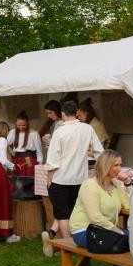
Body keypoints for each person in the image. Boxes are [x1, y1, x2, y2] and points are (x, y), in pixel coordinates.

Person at [41, 100, 103, 256]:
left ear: (62, 114)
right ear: (76, 113)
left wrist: (49, 181)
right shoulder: (87, 128)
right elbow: (99, 152)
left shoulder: (60, 132)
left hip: (60, 178)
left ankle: (68, 246)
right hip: (80, 179)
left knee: (63, 215)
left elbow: (52, 160)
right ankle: (69, 243)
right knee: (75, 212)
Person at [7, 110, 43, 178]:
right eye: (19, 125)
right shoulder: (13, 132)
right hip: (17, 161)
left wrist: (39, 166)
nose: (21, 127)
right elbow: (4, 145)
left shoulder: (34, 134)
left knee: (30, 181)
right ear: (16, 123)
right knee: (18, 183)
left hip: (30, 161)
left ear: (27, 123)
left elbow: (39, 152)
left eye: (23, 125)